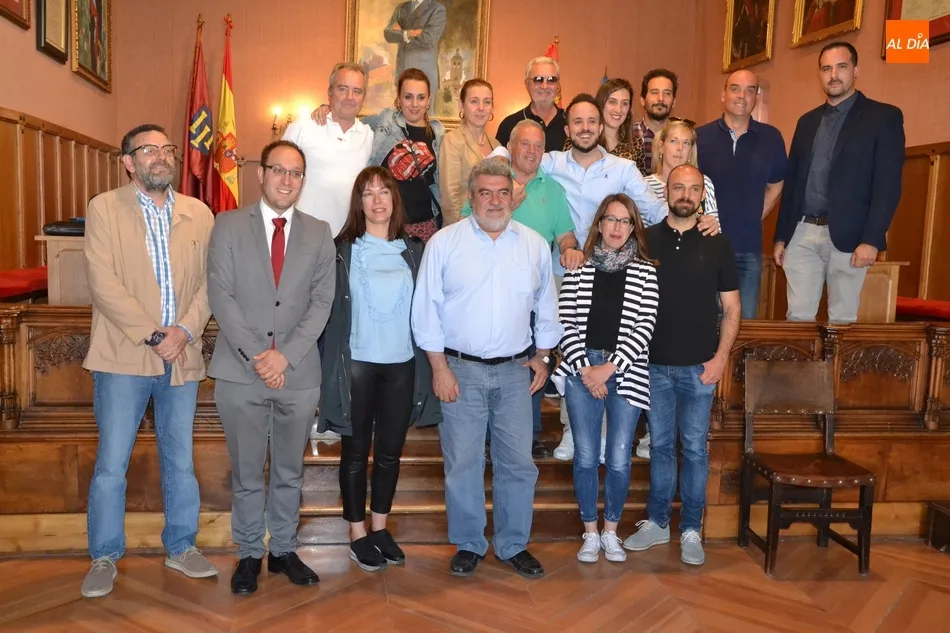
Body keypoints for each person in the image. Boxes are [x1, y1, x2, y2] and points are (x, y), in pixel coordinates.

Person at [81, 124, 217, 598]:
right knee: (111, 463)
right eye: (148, 150)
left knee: (180, 459)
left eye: (166, 149)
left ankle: (182, 546)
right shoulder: (104, 208)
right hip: (124, 355)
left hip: (181, 354)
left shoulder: (199, 213)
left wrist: (184, 331)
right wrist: (154, 334)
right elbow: (102, 282)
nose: (161, 156)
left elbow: (211, 283)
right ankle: (104, 555)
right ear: (128, 161)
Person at [412, 158, 562, 579]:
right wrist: (439, 367)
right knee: (463, 463)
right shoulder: (444, 243)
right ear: (471, 197)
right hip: (460, 370)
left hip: (516, 372)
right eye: (485, 193)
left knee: (518, 463)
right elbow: (425, 311)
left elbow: (547, 307)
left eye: (502, 192)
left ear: (514, 196)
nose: (495, 201)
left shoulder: (534, 245)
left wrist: (544, 356)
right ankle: (469, 543)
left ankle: (513, 544)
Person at [207, 140, 336, 595]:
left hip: (298, 374)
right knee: (246, 471)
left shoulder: (319, 232)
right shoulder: (227, 225)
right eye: (278, 170)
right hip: (240, 372)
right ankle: (248, 553)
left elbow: (322, 302)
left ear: (303, 180)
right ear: (260, 174)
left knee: (289, 470)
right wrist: (261, 357)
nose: (286, 179)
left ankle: (282, 550)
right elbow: (220, 296)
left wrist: (286, 355)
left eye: (295, 173)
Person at [318, 166, 440, 571]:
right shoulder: (342, 250)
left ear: (394, 199)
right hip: (356, 364)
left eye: (384, 191)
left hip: (401, 365)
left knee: (389, 453)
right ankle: (357, 533)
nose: (377, 200)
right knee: (355, 452)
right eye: (368, 193)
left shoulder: (415, 250)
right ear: (359, 202)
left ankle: (381, 528)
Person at [623, 164, 740, 567]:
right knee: (659, 447)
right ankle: (657, 522)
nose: (685, 195)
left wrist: (721, 358)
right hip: (652, 367)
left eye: (693, 188)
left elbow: (732, 308)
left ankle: (691, 527)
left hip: (700, 369)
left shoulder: (718, 243)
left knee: (693, 449)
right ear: (667, 192)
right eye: (678, 187)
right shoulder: (645, 241)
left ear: (702, 195)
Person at [461, 119, 581, 458]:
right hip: (488, 290)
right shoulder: (492, 181)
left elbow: (565, 234)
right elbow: (465, 224)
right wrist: (508, 203)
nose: (531, 151)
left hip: (532, 293)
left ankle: (526, 436)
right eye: (525, 144)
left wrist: (570, 248)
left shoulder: (553, 189)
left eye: (538, 146)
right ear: (510, 146)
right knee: (489, 364)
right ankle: (487, 439)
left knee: (533, 364)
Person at [555, 194, 658, 564]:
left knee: (617, 457)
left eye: (625, 221)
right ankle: (589, 531)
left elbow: (645, 326)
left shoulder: (646, 271)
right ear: (599, 224)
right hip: (582, 371)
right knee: (585, 456)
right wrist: (587, 370)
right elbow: (564, 322)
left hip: (625, 372)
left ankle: (610, 531)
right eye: (611, 219)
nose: (617, 227)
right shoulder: (579, 267)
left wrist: (608, 368)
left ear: (633, 228)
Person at [774, 41, 905, 323]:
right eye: (826, 69)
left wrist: (871, 240)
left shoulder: (883, 117)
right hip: (802, 234)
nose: (833, 75)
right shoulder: (806, 122)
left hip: (850, 238)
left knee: (842, 321)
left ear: (855, 71)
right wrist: (782, 236)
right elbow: (793, 183)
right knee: (797, 320)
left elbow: (888, 185)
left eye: (841, 67)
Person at [312, 68, 447, 241]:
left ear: (428, 101)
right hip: (385, 226)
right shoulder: (386, 120)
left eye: (421, 97)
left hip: (426, 225)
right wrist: (327, 109)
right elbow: (348, 119)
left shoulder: (438, 132)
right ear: (399, 99)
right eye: (408, 97)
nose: (415, 104)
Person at [696, 69, 787, 320]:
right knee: (703, 322)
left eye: (750, 90)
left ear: (757, 97)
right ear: (723, 94)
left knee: (742, 323)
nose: (742, 96)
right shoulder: (700, 137)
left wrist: (753, 216)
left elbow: (776, 184)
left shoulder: (771, 138)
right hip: (706, 247)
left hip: (748, 249)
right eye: (735, 88)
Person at [283, 63, 373, 237]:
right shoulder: (302, 128)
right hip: (301, 237)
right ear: (330, 92)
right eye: (342, 89)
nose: (350, 97)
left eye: (357, 91)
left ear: (364, 97)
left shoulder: (370, 137)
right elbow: (276, 179)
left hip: (349, 240)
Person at [438, 78, 498, 224]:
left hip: (492, 225)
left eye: (487, 102)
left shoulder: (496, 144)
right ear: (461, 105)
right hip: (461, 226)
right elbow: (449, 197)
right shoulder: (452, 140)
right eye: (474, 101)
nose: (481, 108)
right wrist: (459, 230)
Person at [565, 78, 647, 174]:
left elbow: (641, 179)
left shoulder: (636, 144)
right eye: (612, 102)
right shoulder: (581, 138)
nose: (618, 110)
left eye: (624, 103)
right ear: (601, 104)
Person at [645, 118, 719, 219]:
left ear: (690, 152)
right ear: (661, 146)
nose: (680, 148)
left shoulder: (704, 182)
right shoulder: (645, 186)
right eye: (674, 141)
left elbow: (714, 225)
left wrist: (710, 224)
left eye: (686, 143)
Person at [383, 0, 446, 113]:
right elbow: (388, 34)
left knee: (426, 118)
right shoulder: (401, 8)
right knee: (401, 117)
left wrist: (401, 33)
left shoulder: (437, 9)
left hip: (425, 73)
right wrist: (409, 33)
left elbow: (429, 39)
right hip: (403, 70)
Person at [495, 56, 567, 152]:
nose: (544, 86)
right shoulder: (509, 125)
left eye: (551, 79)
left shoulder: (570, 122)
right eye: (538, 79)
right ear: (526, 84)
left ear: (558, 85)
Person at [636, 69, 679, 175]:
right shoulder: (628, 135)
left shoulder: (682, 138)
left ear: (674, 102)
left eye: (667, 93)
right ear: (642, 100)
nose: (661, 98)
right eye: (654, 92)